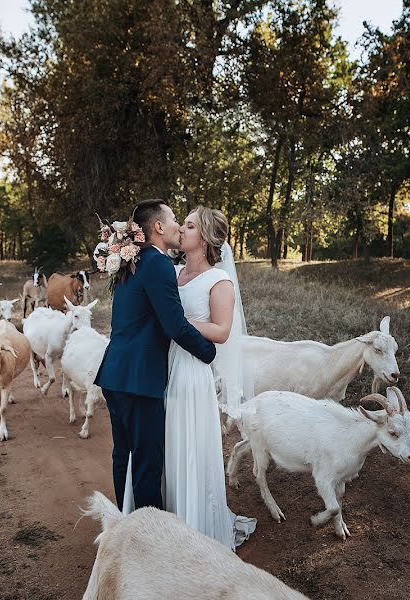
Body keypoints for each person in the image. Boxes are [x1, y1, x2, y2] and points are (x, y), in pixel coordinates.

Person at [123, 206, 256, 549]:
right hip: (161, 365)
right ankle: (156, 521)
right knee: (158, 446)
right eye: (181, 223)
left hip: (191, 371)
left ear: (207, 237)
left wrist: (177, 321)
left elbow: (223, 331)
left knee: (185, 444)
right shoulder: (173, 270)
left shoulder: (219, 281)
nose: (181, 229)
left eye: (190, 225)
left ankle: (192, 528)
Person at [94, 199, 216, 511]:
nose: (178, 225)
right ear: (159, 227)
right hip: (139, 380)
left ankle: (124, 522)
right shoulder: (158, 263)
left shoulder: (131, 262)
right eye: (175, 219)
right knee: (147, 463)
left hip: (114, 374)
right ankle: (149, 540)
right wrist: (208, 352)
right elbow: (175, 325)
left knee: (123, 455)